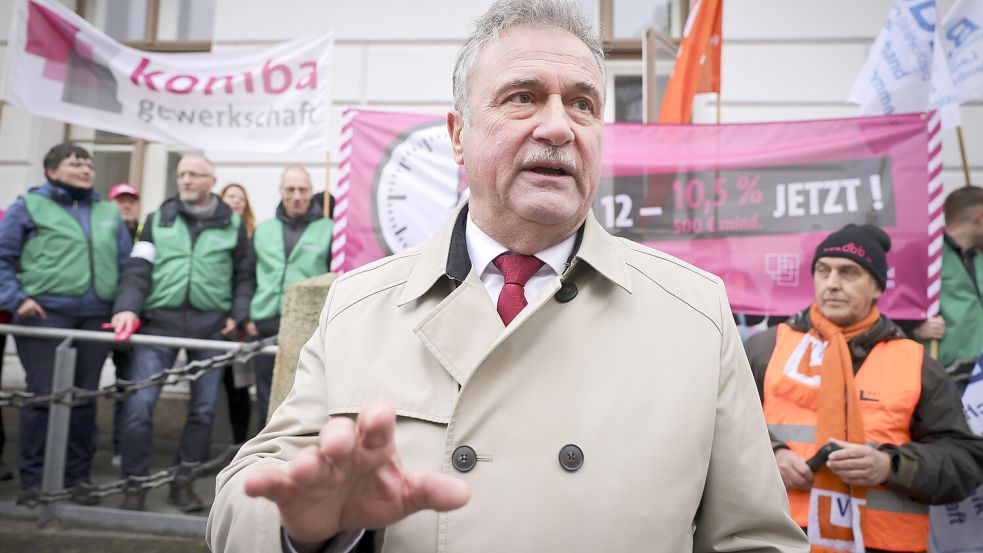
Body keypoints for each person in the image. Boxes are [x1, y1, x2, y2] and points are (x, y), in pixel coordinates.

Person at [207, 2, 808, 552]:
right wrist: (300, 533)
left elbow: (755, 539)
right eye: (522, 97)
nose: (558, 127)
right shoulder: (360, 306)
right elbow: (243, 500)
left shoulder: (695, 314)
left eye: (583, 104)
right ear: (457, 136)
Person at [744, 224, 983, 552]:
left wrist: (890, 466)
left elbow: (966, 463)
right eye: (823, 270)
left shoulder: (918, 364)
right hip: (780, 539)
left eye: (849, 273)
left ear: (877, 287)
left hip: (880, 544)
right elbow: (719, 431)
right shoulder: (766, 349)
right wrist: (772, 455)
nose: (832, 284)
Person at [111, 153, 254, 512]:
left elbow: (244, 276)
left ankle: (183, 484)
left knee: (204, 411)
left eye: (194, 174)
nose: (186, 180)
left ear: (211, 180)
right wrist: (127, 307)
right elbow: (137, 269)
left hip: (209, 328)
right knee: (139, 406)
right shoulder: (156, 219)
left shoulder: (232, 225)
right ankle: (135, 485)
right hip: (160, 323)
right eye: (181, 174)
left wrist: (237, 315)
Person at [0, 143, 132, 507]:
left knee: (84, 399)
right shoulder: (27, 206)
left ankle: (77, 479)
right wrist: (16, 299)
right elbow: (2, 258)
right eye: (76, 163)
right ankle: (33, 481)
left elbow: (125, 266)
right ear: (51, 170)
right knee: (42, 397)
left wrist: (122, 307)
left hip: (95, 318)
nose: (87, 169)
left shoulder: (107, 211)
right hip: (44, 316)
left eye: (89, 164)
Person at [246, 165, 332, 433]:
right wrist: (245, 316)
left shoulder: (330, 230)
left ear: (311, 192)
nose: (297, 195)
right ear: (281, 192)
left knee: (304, 396)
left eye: (302, 189)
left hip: (308, 326)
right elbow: (246, 275)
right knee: (265, 395)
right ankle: (264, 454)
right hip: (264, 321)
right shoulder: (263, 230)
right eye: (290, 189)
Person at [906, 186, 983, 381]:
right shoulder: (925, 254)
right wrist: (914, 326)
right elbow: (893, 302)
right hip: (946, 372)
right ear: (980, 217)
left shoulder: (978, 256)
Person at [219, 182, 257, 447]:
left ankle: (239, 442)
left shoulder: (254, 234)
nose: (236, 201)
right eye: (231, 196)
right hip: (216, 321)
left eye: (241, 198)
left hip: (241, 323)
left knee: (239, 386)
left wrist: (240, 315)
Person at [108, 182, 142, 467]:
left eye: (131, 201)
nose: (126, 205)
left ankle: (120, 447)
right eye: (121, 201)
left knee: (126, 385)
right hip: (103, 316)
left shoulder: (144, 233)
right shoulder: (103, 231)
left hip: (132, 323)